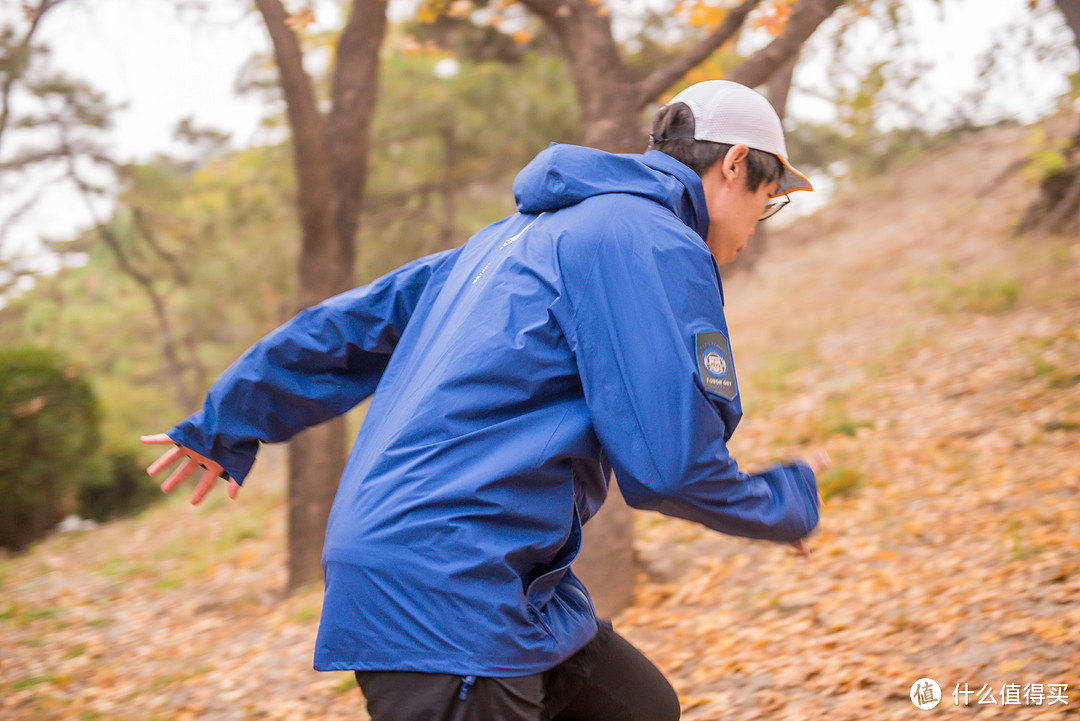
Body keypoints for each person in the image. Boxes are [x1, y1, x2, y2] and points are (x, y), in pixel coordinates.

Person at [143, 79, 827, 721]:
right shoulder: (646, 239)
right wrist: (785, 503)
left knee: (638, 705)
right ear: (735, 164)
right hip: (446, 583)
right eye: (767, 200)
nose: (758, 221)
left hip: (508, 583)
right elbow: (669, 465)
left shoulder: (509, 240)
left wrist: (224, 419)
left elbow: (349, 326)